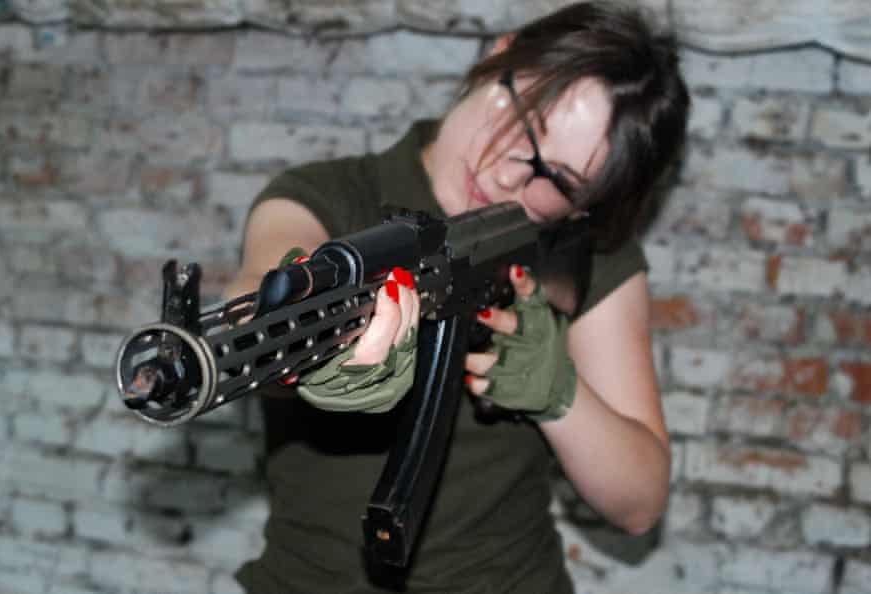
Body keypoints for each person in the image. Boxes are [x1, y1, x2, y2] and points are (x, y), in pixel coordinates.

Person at [225, 2, 690, 592]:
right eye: (526, 121)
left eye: (560, 181)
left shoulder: (584, 261)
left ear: (582, 210)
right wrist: (318, 347)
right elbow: (262, 291)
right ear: (498, 55)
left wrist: (558, 396)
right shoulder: (328, 195)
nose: (508, 173)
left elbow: (639, 502)